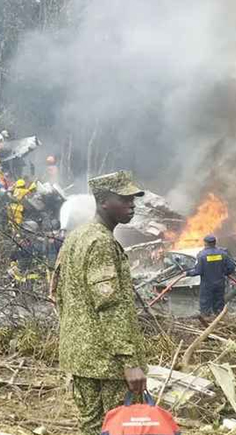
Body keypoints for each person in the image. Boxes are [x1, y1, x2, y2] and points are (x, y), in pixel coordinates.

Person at [53, 171, 147, 435]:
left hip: (81, 360)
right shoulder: (101, 243)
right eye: (124, 199)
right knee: (122, 429)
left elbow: (59, 294)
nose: (132, 205)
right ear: (104, 201)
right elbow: (110, 307)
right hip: (109, 366)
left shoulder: (76, 237)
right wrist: (129, 362)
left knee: (93, 428)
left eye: (133, 199)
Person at [186, 234, 236, 321]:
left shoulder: (201, 255)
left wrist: (187, 273)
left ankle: (206, 321)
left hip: (207, 285)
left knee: (205, 304)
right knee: (219, 303)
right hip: (220, 283)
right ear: (215, 243)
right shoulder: (222, 254)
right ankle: (219, 321)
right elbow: (231, 267)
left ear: (205, 243)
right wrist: (225, 273)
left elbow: (198, 271)